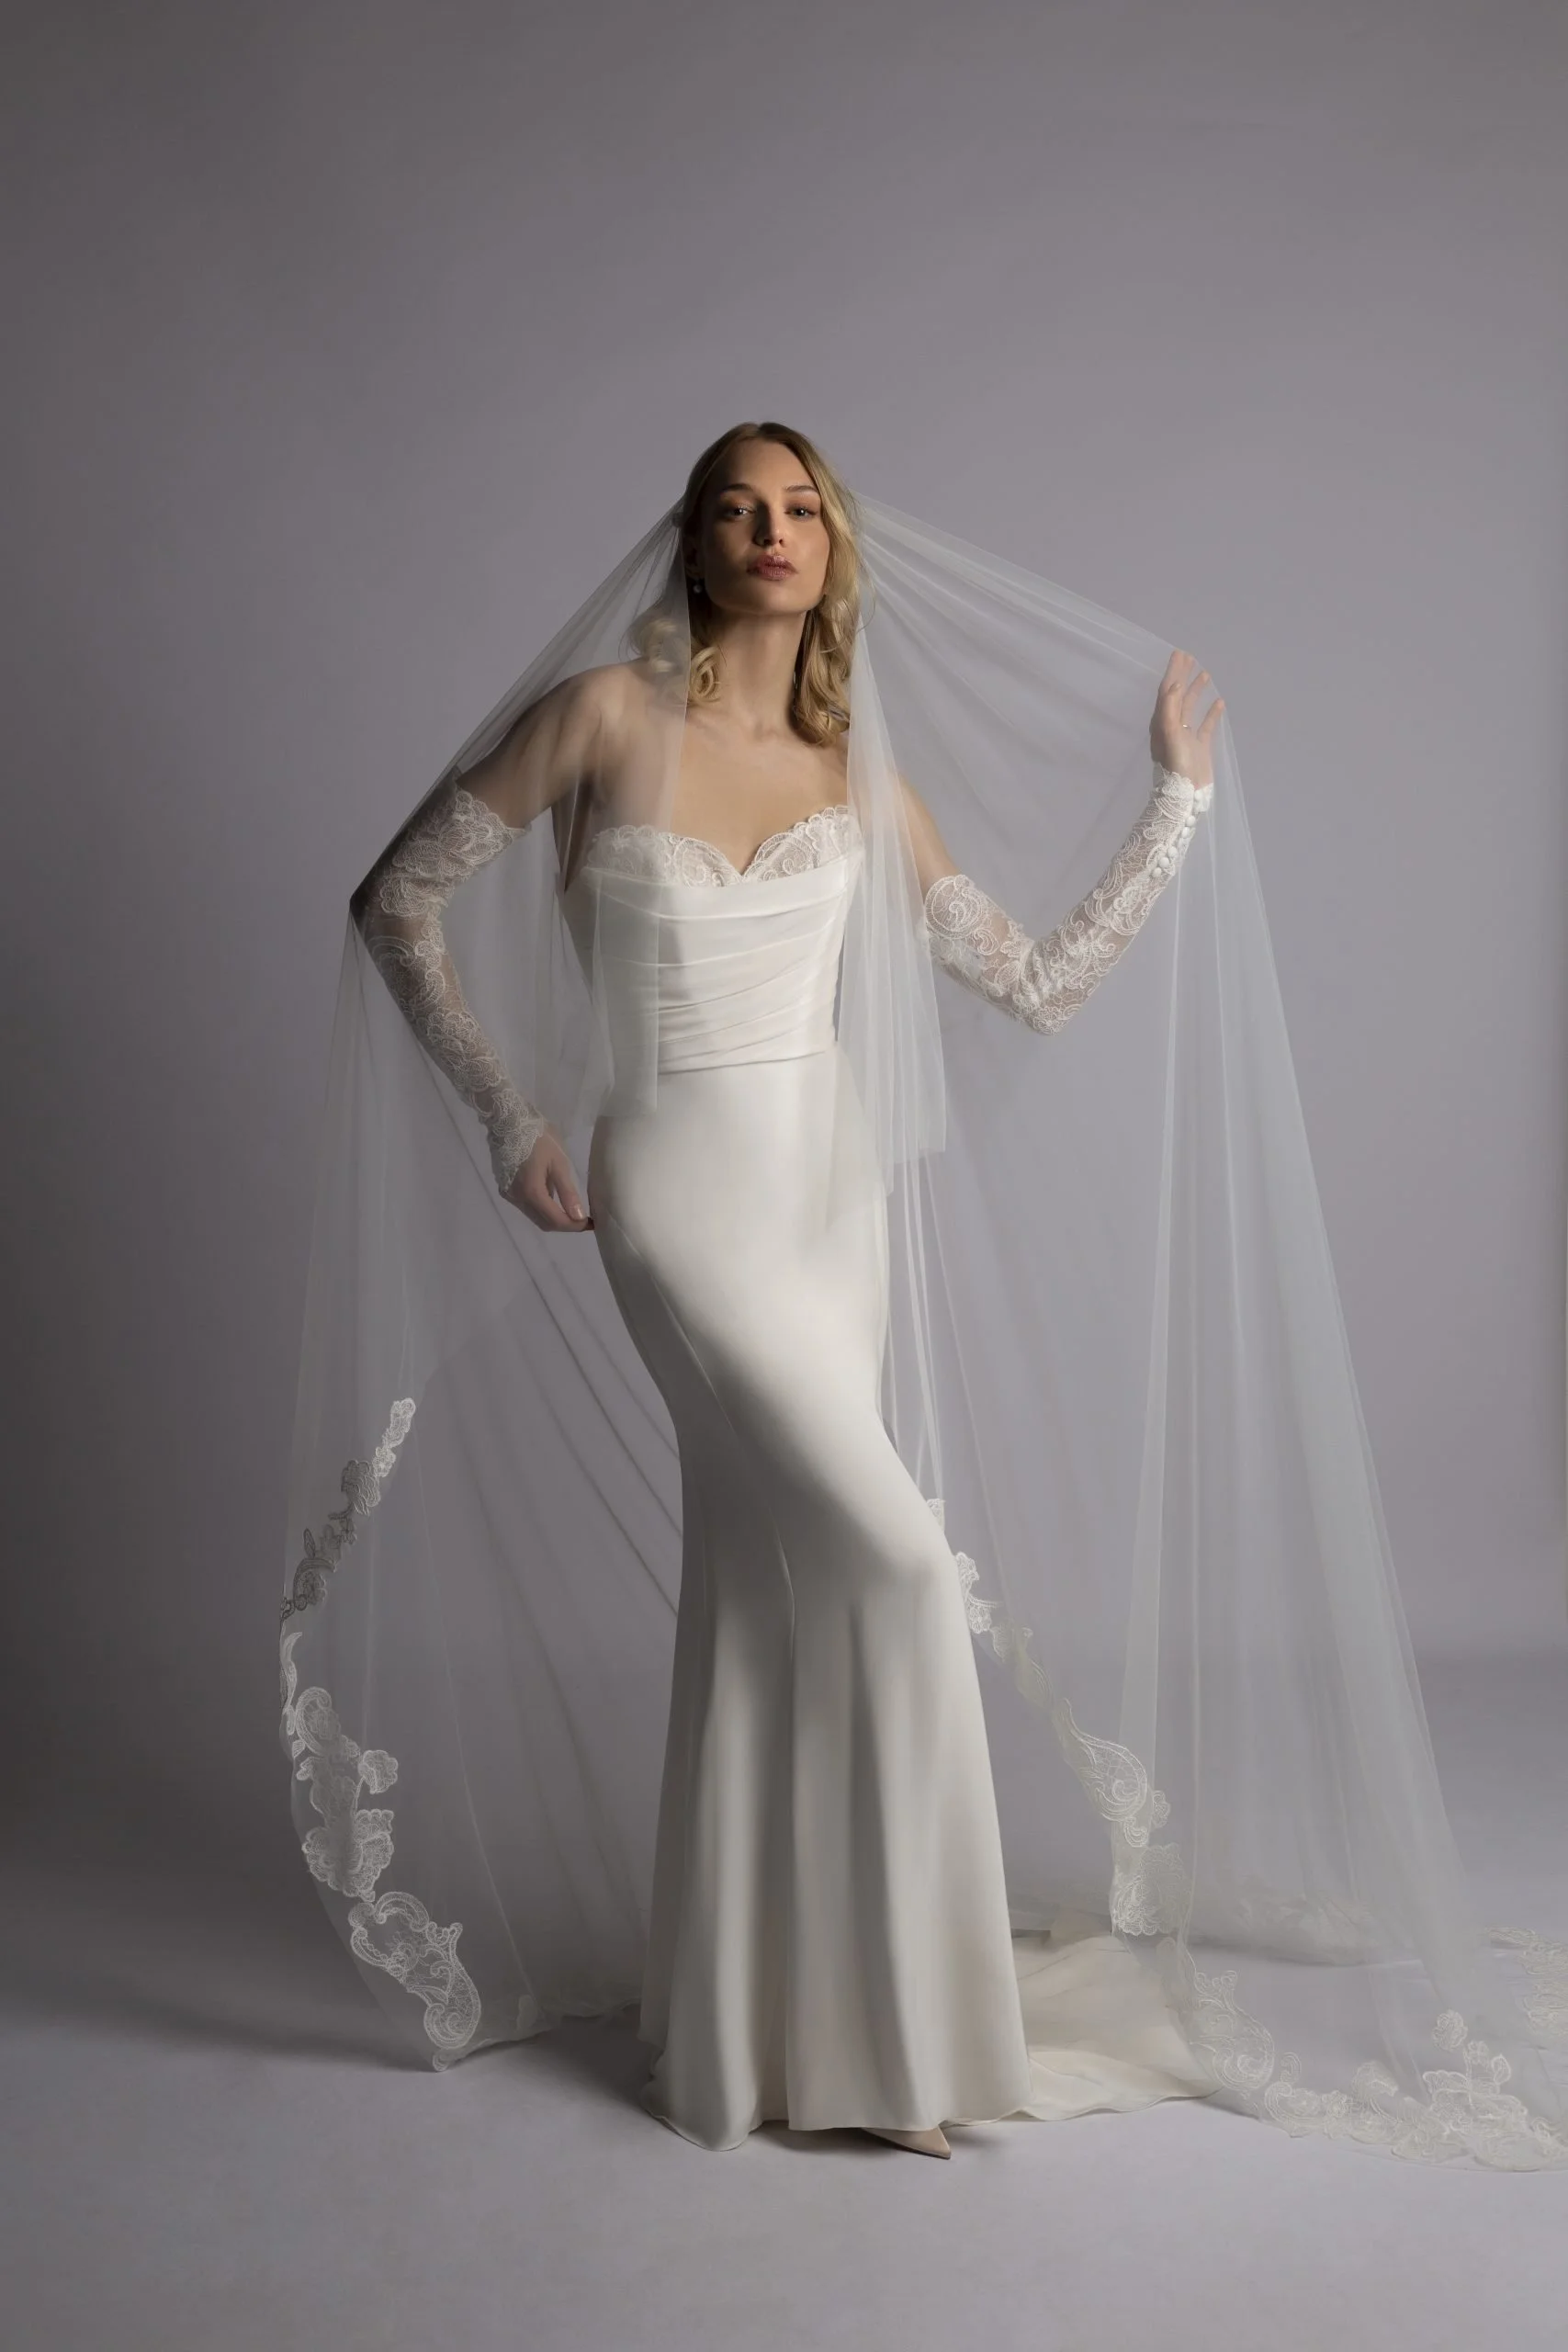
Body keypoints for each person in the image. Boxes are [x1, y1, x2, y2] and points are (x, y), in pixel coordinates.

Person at [285, 422, 1568, 2171]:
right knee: (886, 1565)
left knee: (771, 1594)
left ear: (832, 548)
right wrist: (510, 1116)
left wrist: (1172, 800)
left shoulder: (853, 779)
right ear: (692, 541)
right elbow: (398, 896)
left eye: (800, 505)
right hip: (676, 1192)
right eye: (737, 505)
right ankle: (908, 2029)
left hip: (830, 1207)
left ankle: (761, 2022)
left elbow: (1029, 985)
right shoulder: (598, 717)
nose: (770, 528)